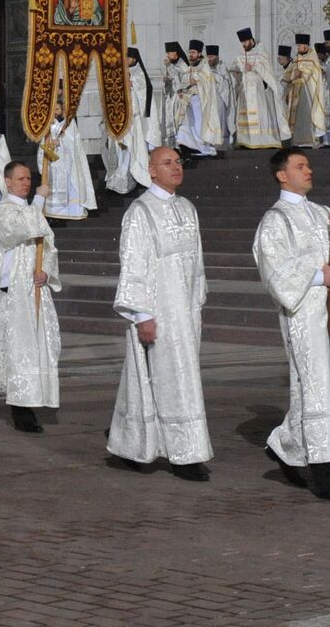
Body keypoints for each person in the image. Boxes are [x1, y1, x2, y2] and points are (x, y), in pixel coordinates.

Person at [253, 149, 330, 503]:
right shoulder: (275, 220)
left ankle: (286, 445)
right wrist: (317, 275)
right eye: (300, 166)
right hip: (304, 314)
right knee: (315, 387)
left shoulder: (322, 213)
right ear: (282, 175)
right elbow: (275, 270)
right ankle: (327, 475)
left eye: (309, 165)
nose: (308, 170)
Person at [108, 148, 212, 480]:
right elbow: (134, 263)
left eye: (179, 162)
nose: (176, 168)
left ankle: (134, 443)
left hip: (185, 311)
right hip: (158, 311)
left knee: (172, 378)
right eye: (167, 163)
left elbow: (197, 263)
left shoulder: (187, 208)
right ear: (151, 171)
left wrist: (197, 303)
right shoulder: (141, 212)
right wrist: (141, 314)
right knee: (164, 379)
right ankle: (184, 455)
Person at [0, 160, 61, 434]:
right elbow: (17, 231)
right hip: (16, 292)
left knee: (42, 345)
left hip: (35, 288)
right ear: (7, 182)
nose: (27, 183)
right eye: (20, 179)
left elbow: (48, 244)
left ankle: (36, 397)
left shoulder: (32, 211)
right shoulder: (2, 211)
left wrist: (46, 272)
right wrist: (40, 199)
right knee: (20, 349)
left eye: (29, 179)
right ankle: (20, 408)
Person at [105, 48, 157, 195]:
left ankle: (124, 178)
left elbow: (142, 94)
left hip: (133, 121)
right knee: (121, 148)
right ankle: (119, 177)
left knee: (131, 148)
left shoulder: (139, 74)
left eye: (127, 58)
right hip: (120, 119)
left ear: (134, 59)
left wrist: (130, 82)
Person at [230, 29, 290, 149]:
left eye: (245, 42)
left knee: (260, 114)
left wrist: (254, 66)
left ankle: (261, 140)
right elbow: (234, 69)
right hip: (245, 89)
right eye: (242, 43)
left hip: (258, 89)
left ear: (251, 40)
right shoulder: (240, 56)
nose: (243, 45)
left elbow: (267, 71)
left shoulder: (261, 52)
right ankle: (246, 141)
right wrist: (237, 70)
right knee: (245, 115)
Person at [41, 115, 95, 220]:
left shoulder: (70, 124)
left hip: (69, 163)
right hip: (54, 162)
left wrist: (60, 142)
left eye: (57, 109)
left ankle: (73, 211)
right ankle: (55, 212)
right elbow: (44, 143)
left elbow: (73, 142)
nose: (55, 112)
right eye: (54, 109)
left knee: (72, 186)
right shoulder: (50, 124)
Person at [283, 34, 329, 148]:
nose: (298, 48)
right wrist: (286, 78)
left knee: (306, 116)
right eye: (297, 45)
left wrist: (300, 74)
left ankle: (308, 140)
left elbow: (309, 73)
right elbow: (290, 72)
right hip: (295, 92)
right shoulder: (297, 58)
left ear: (306, 45)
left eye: (300, 45)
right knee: (296, 117)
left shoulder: (312, 58)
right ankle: (296, 140)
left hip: (307, 93)